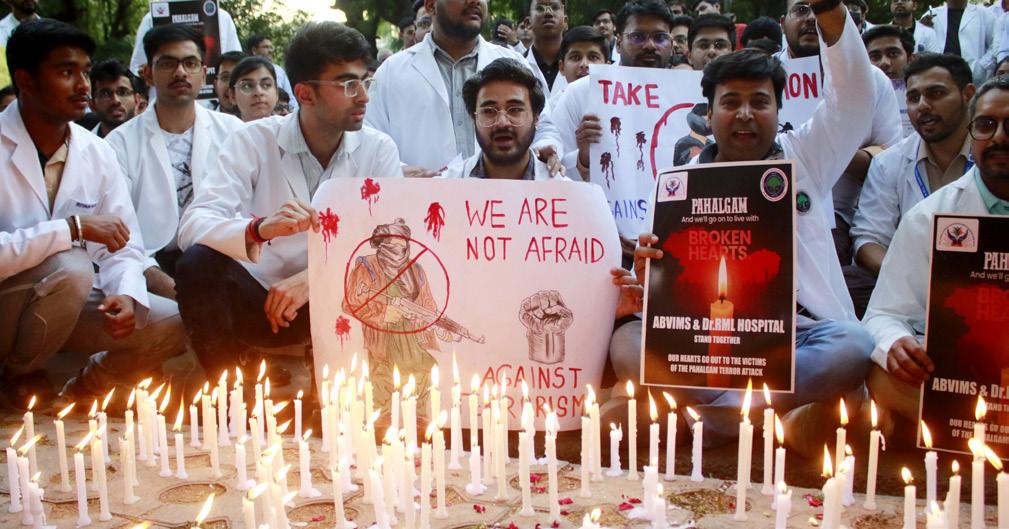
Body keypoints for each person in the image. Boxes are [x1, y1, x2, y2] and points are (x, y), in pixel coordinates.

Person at [622, 0, 878, 454]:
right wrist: (646, 270)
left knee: (853, 345)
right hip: (703, 338)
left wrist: (828, 9)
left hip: (797, 335)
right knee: (626, 342)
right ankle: (764, 414)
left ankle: (711, 418)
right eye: (731, 102)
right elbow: (654, 285)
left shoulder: (805, 157)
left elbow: (855, 97)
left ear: (779, 110)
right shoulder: (677, 184)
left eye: (760, 102)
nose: (744, 114)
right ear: (708, 114)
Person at [174, 22, 404, 378]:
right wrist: (259, 229)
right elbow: (193, 224)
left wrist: (315, 279)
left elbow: (393, 241)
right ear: (305, 94)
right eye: (348, 84)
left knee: (390, 273)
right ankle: (228, 391)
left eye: (365, 81)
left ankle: (346, 386)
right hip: (262, 299)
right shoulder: (252, 140)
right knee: (196, 264)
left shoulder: (378, 149)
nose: (363, 96)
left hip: (343, 296)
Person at [0, 20, 185, 408]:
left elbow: (124, 243)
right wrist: (71, 229)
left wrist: (125, 294)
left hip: (61, 305)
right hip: (9, 307)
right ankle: (18, 378)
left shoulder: (96, 151)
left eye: (85, 72)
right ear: (26, 80)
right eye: (66, 72)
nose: (83, 85)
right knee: (72, 266)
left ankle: (88, 387)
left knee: (171, 320)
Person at [863, 76, 1009, 423]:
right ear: (972, 133)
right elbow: (883, 314)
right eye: (986, 125)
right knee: (883, 377)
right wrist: (896, 344)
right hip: (961, 378)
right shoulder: (928, 217)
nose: (999, 137)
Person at [779, 0, 902, 317]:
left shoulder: (870, 81)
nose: (810, 18)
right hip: (770, 211)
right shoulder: (761, 76)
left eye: (816, 9)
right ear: (782, 22)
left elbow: (889, 159)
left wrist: (824, 145)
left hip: (840, 220)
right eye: (800, 10)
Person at [105, 24, 246, 300]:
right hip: (151, 264)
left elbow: (247, 213)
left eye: (190, 63)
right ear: (147, 73)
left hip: (223, 258)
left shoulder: (234, 132)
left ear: (203, 73)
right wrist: (169, 288)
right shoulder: (119, 144)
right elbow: (120, 233)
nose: (180, 72)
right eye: (168, 63)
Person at [366, 0, 562, 178]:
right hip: (420, 200)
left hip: (503, 201)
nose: (476, 2)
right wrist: (397, 170)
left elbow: (544, 126)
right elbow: (370, 141)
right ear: (431, 5)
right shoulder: (391, 73)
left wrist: (545, 148)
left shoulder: (514, 63)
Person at [852, 54, 975, 276]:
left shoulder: (995, 156)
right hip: (908, 281)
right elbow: (868, 239)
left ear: (968, 94)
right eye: (913, 97)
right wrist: (909, 279)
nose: (923, 106)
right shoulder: (888, 163)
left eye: (936, 93)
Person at [553, 0, 676, 192]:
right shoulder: (580, 93)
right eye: (638, 37)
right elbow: (553, 168)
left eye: (660, 37)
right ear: (618, 44)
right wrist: (583, 159)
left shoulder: (687, 98)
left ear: (672, 45)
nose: (650, 45)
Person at [442, 58, 563, 180]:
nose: (502, 123)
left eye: (515, 110)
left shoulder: (563, 189)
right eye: (489, 111)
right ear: (474, 118)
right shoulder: (444, 186)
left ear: (536, 117)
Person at [128, 6, 242, 75]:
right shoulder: (153, 17)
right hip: (164, 102)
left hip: (212, 103)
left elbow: (237, 65)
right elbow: (137, 69)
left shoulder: (222, 17)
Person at [924, 0, 998, 80]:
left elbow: (995, 44)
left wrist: (981, 66)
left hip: (973, 74)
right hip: (939, 73)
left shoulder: (985, 15)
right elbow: (921, 43)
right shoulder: (931, 15)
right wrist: (922, 28)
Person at [523, 0, 568, 99]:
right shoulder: (518, 65)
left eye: (555, 7)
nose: (548, 13)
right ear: (528, 23)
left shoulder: (581, 67)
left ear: (565, 21)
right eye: (540, 8)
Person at [87, 59, 140, 138]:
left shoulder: (155, 139)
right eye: (105, 94)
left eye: (122, 92)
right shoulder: (82, 144)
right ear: (92, 105)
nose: (115, 101)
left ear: (137, 100)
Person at [248, 34, 297, 109]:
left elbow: (291, 99)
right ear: (254, 50)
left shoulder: (279, 71)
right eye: (266, 47)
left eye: (271, 47)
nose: (270, 50)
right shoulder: (245, 72)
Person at [229, 56, 280, 122]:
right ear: (233, 96)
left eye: (266, 85)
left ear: (277, 93)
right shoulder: (225, 128)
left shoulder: (289, 127)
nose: (258, 92)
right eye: (247, 86)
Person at [210, 51, 246, 116]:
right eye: (225, 77)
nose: (231, 85)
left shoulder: (263, 121)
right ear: (215, 85)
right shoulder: (202, 119)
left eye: (239, 77)